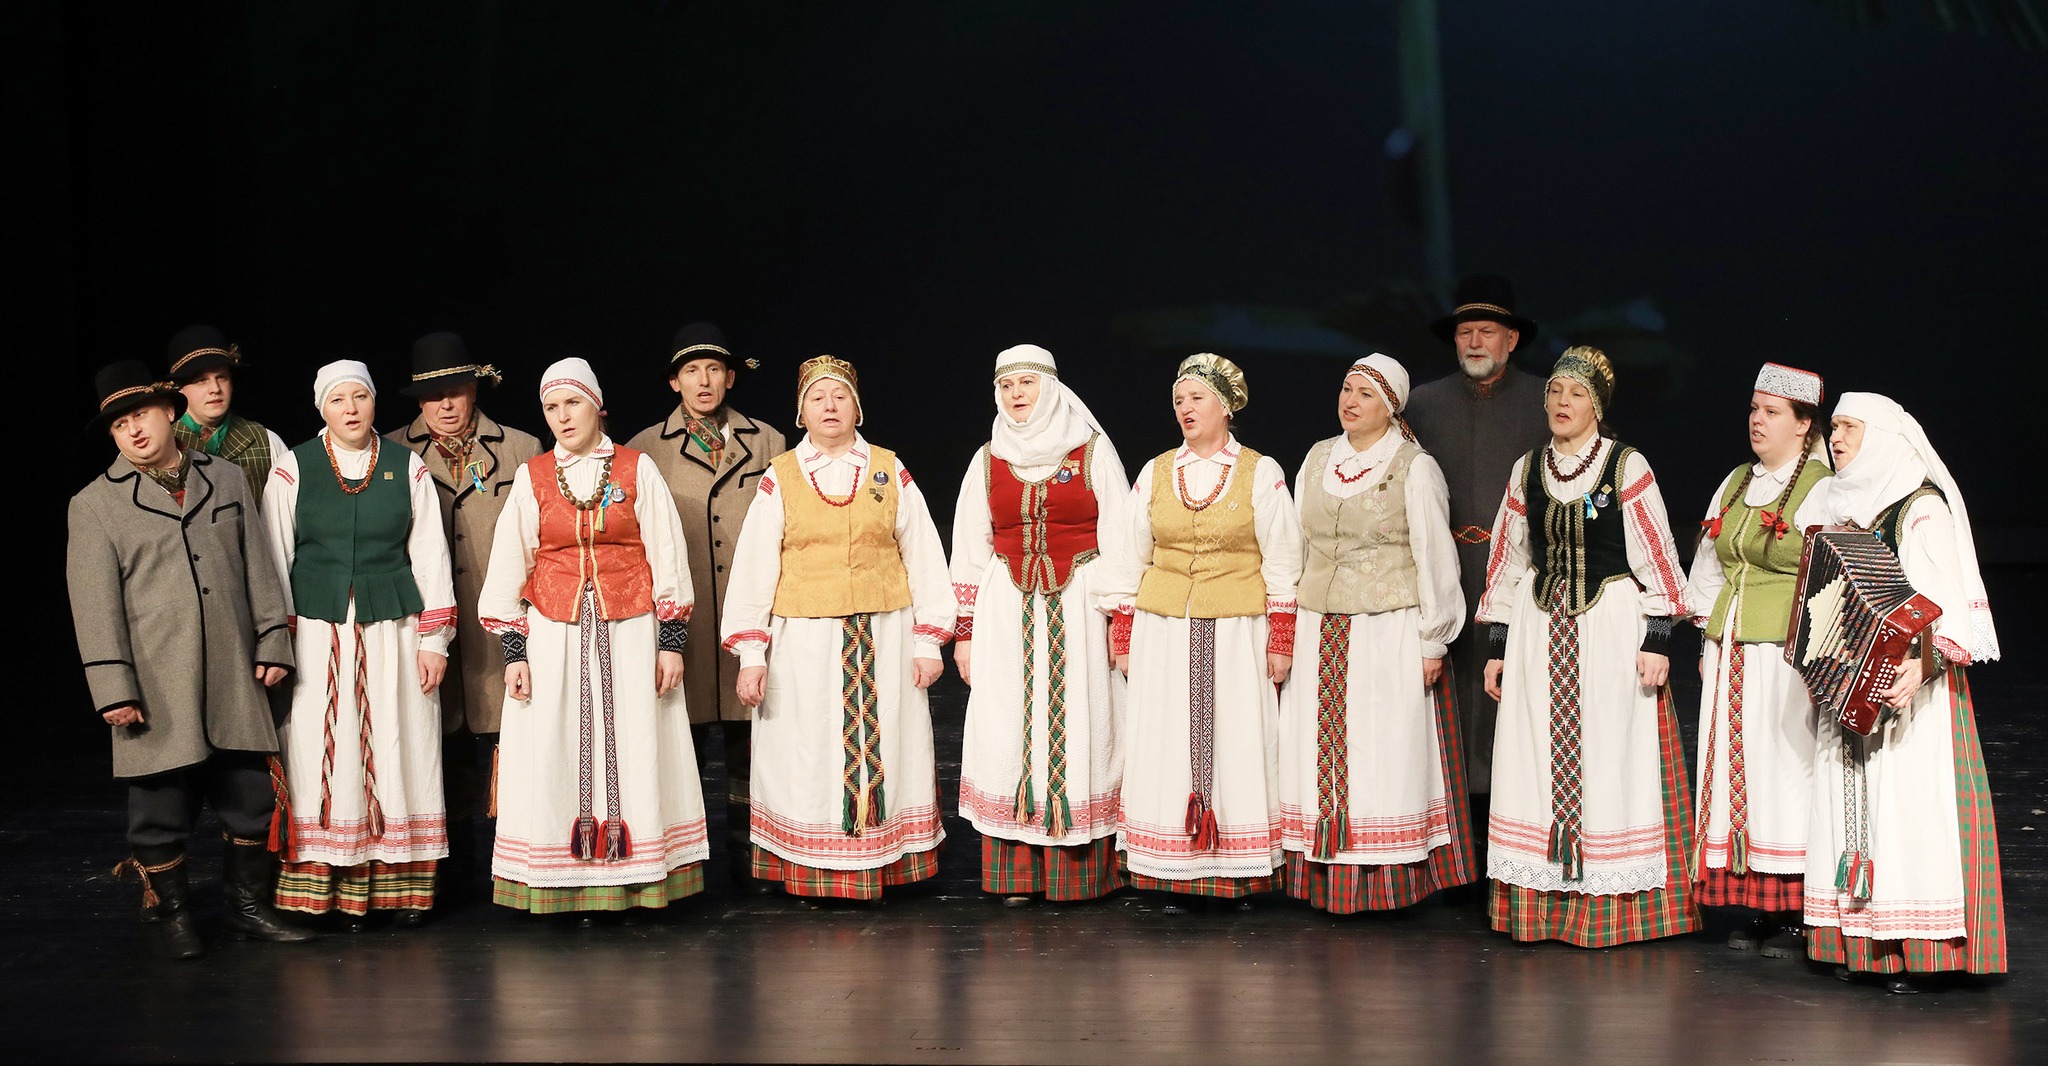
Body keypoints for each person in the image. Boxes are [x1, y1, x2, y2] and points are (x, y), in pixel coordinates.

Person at [67, 361, 312, 959]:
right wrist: (113, 688)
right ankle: (172, 917)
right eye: (119, 425)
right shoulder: (95, 503)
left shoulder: (224, 478)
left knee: (250, 797)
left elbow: (258, 564)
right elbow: (94, 605)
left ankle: (247, 910)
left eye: (141, 415)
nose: (134, 431)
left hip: (233, 670)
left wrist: (271, 641)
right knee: (159, 805)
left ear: (169, 412)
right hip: (156, 681)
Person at [1476, 346, 1699, 947]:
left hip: (1608, 631)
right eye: (1554, 392)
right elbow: (1508, 559)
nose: (1562, 403)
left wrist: (1657, 638)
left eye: (1576, 394)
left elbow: (1657, 555)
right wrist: (1497, 645)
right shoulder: (1527, 469)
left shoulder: (1626, 466)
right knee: (1534, 754)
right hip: (1538, 631)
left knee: (1608, 753)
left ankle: (1612, 905)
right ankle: (1541, 901)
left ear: (1597, 406)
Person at [477, 358, 711, 920]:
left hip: (630, 632)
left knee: (637, 740)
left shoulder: (636, 469)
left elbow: (667, 555)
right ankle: (564, 882)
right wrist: (515, 652)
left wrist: (671, 640)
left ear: (597, 407)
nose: (563, 417)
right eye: (551, 408)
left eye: (573, 404)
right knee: (554, 747)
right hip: (554, 637)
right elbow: (510, 563)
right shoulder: (533, 477)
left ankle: (639, 878)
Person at [720, 355, 954, 901]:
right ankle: (811, 868)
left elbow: (923, 554)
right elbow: (755, 565)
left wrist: (929, 640)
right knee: (808, 750)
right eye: (817, 398)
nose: (829, 406)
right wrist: (752, 654)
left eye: (840, 396)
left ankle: (885, 862)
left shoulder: (888, 470)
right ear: (801, 412)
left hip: (885, 635)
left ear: (857, 407)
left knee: (890, 742)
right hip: (804, 644)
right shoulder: (781, 477)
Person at [1794, 393, 2005, 994]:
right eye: (1833, 427)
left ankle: (1917, 948)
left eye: (1848, 428)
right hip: (1848, 682)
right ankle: (1860, 944)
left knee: (1908, 808)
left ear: (1882, 437)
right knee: (1848, 809)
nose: (1835, 438)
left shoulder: (1919, 507)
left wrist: (1924, 665)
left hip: (1913, 688)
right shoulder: (1833, 500)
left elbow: (1943, 600)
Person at [1098, 353, 1302, 911]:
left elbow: (1284, 558)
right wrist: (1124, 633)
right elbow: (1128, 555)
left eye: (1196, 398)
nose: (1185, 409)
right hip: (1165, 629)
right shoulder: (1157, 472)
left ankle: (1236, 869)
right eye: (1178, 400)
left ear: (1226, 405)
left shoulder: (1261, 471)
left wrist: (1281, 638)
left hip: (1236, 629)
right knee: (1165, 739)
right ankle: (1170, 869)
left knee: (1237, 738)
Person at [261, 360, 457, 927]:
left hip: (393, 632)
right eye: (337, 399)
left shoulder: (407, 466)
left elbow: (430, 554)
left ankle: (399, 890)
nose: (350, 409)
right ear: (321, 408)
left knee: (399, 743)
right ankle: (325, 888)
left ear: (374, 402)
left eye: (360, 397)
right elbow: (274, 558)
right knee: (323, 750)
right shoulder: (292, 469)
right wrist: (278, 643)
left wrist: (434, 640)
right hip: (317, 635)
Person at [1279, 353, 1476, 912]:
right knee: (1317, 748)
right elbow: (1295, 546)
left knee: (1382, 749)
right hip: (1318, 627)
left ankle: (1385, 879)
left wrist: (1434, 638)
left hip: (1386, 629)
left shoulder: (1414, 467)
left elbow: (1435, 556)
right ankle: (1322, 873)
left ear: (1390, 406)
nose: (1351, 401)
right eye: (1347, 389)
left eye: (1365, 393)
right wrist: (1284, 627)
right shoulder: (1318, 458)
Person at [948, 344, 1131, 904]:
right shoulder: (988, 459)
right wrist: (965, 633)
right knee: (1008, 726)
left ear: (1050, 387)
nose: (1016, 395)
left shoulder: (1091, 450)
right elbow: (969, 547)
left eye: (1026, 383)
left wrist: (1120, 623)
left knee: (1085, 719)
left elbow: (1121, 538)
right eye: (1006, 386)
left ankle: (1081, 871)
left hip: (1082, 607)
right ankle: (1018, 873)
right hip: (1006, 611)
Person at [627, 322, 787, 893]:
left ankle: (756, 856)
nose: (703, 381)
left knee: (754, 742)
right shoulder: (646, 447)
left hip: (751, 615)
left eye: (714, 369)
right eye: (691, 371)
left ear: (730, 378)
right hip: (683, 621)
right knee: (682, 741)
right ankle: (687, 861)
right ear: (674, 381)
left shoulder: (767, 441)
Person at [385, 331, 544, 904]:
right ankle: (447, 880)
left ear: (474, 391)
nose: (446, 405)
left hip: (502, 625)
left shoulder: (521, 448)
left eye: (455, 391)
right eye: (433, 396)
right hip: (425, 626)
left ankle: (517, 872)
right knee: (440, 748)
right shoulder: (391, 453)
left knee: (511, 748)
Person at [1684, 363, 1831, 955]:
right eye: (1753, 409)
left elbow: (1831, 574)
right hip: (1731, 648)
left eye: (1772, 412)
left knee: (1785, 768)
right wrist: (1706, 638)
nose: (1757, 421)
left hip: (1786, 651)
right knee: (1735, 770)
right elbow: (1708, 565)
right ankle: (1759, 905)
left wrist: (1820, 654)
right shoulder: (1737, 481)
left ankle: (1798, 906)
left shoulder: (1821, 487)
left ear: (1803, 424)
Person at [1404, 275, 1551, 827]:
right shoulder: (1422, 404)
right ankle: (1448, 829)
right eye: (1465, 332)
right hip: (1442, 574)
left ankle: (1507, 827)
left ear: (1511, 340)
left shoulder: (1547, 401)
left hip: (1517, 578)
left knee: (1505, 699)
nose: (1474, 342)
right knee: (1445, 702)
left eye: (1486, 331)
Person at [166, 324, 289, 506]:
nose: (215, 389)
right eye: (201, 380)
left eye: (221, 377)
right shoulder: (162, 444)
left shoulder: (266, 441)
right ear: (179, 388)